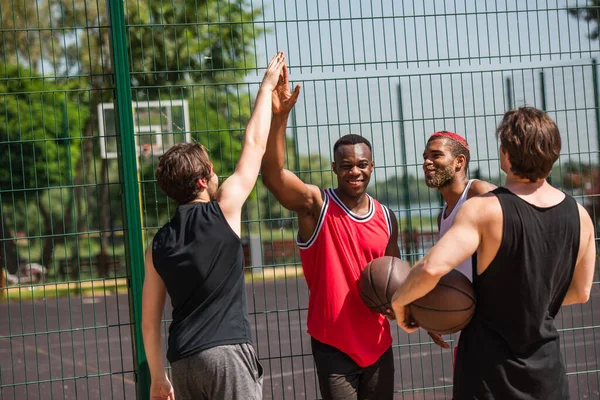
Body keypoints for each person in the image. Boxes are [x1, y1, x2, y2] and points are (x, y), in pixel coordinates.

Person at [392, 107, 596, 399]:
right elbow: (581, 291)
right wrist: (531, 301)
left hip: (487, 375)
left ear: (505, 154)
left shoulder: (484, 209)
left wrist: (401, 302)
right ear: (554, 153)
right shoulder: (580, 216)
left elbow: (430, 268)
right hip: (547, 374)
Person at [141, 52, 287, 400]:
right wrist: (266, 87)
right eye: (212, 169)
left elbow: (149, 322)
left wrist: (159, 377)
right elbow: (254, 143)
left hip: (184, 360)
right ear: (203, 181)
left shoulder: (157, 246)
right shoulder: (225, 209)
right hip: (226, 354)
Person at [260, 62, 401, 400]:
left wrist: (405, 307)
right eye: (347, 166)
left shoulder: (387, 216)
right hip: (333, 342)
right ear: (334, 168)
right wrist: (279, 118)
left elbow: (396, 279)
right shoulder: (316, 205)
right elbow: (274, 176)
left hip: (379, 342)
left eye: (362, 165)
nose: (355, 171)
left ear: (372, 167)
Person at [421, 131, 496, 352]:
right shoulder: (443, 215)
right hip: (469, 330)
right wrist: (433, 313)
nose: (427, 162)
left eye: (436, 155)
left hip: (498, 329)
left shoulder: (479, 192)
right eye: (425, 156)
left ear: (459, 161)